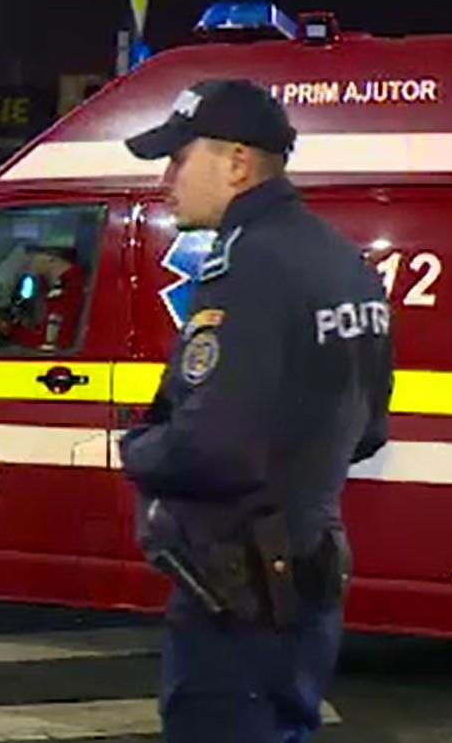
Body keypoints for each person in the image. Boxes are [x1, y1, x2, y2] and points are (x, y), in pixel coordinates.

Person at [117, 78, 393, 742]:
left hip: (236, 591)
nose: (166, 181)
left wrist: (137, 450)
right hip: (309, 576)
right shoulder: (342, 258)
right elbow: (368, 428)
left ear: (237, 162)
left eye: (179, 159)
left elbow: (213, 448)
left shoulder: (249, 265)